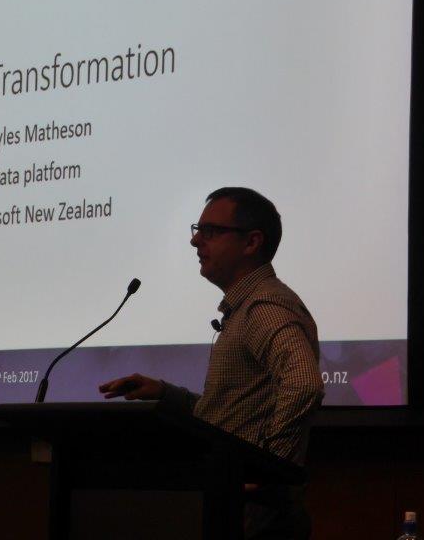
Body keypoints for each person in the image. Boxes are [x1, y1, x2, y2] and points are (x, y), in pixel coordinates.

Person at [99, 187, 324, 540]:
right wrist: (164, 394)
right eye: (197, 230)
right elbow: (230, 416)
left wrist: (270, 471)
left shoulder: (263, 307)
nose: (195, 241)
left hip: (257, 522)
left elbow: (304, 385)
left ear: (251, 242)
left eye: (210, 232)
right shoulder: (246, 307)